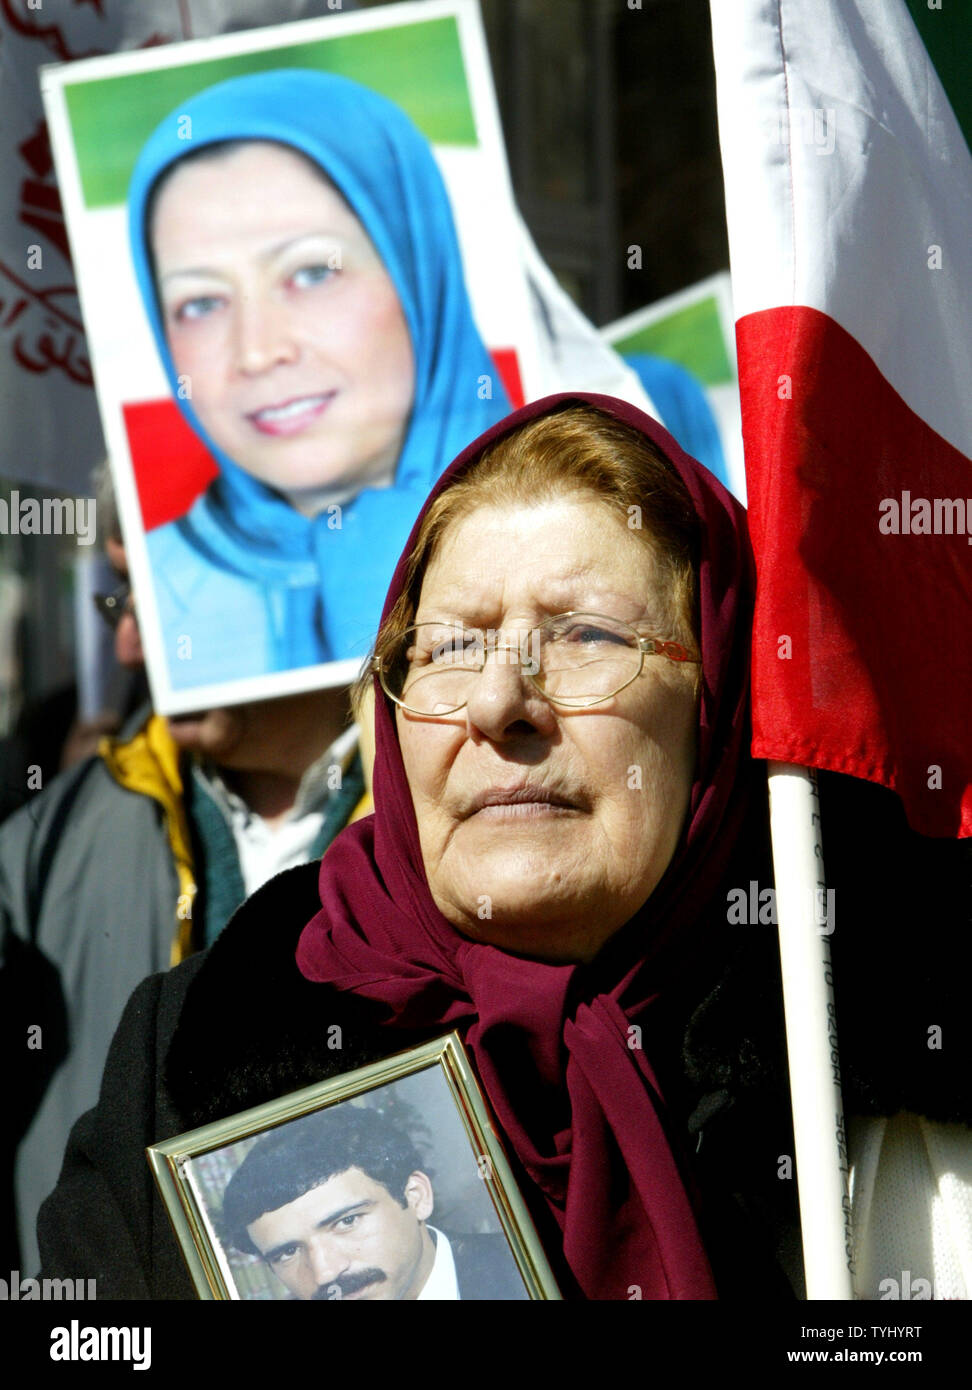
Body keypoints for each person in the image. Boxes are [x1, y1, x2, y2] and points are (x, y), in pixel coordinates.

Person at [37, 394, 806, 1300]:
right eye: (448, 649)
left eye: (587, 636)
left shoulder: (851, 1055)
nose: (498, 704)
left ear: (716, 704)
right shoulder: (196, 1049)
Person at [1, 506, 370, 1275]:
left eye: (156, 588)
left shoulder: (475, 826)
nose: (128, 644)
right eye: (117, 598)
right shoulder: (34, 854)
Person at [126, 69, 511, 689]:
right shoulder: (160, 594)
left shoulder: (561, 534)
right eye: (200, 303)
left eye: (310, 273)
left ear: (418, 275)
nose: (258, 351)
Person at [219, 1106, 527, 1301]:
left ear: (416, 1197)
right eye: (287, 1252)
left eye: (346, 1222)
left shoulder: (531, 1269)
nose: (325, 1273)